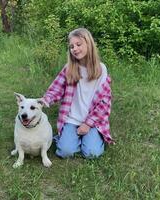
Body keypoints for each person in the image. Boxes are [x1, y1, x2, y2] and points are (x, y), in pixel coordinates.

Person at [41, 28, 113, 159]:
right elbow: (56, 89)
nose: (74, 49)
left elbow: (105, 101)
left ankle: (94, 137)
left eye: (78, 44)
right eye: (71, 46)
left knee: (92, 154)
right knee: (65, 152)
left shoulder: (101, 69)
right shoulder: (69, 68)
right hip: (71, 119)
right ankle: (71, 139)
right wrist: (46, 100)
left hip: (92, 120)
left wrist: (87, 124)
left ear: (89, 44)